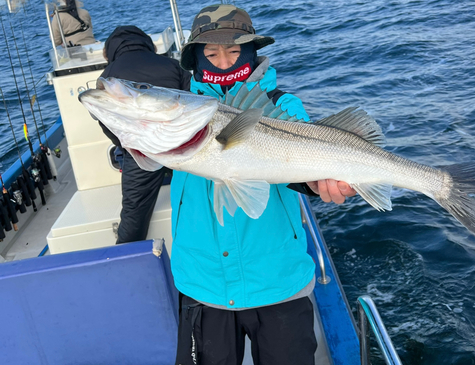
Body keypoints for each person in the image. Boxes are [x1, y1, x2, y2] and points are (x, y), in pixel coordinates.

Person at [172, 5, 356, 365]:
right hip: (202, 282)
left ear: (251, 51)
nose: (223, 62)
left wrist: (320, 183)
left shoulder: (281, 105)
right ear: (196, 59)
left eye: (234, 50)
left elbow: (303, 163)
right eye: (210, 53)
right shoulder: (182, 110)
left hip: (277, 281)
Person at [98, 25, 191, 244]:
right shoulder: (172, 64)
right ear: (148, 43)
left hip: (142, 148)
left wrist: (128, 147)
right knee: (200, 191)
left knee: (134, 213)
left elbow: (106, 122)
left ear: (110, 51)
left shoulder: (108, 75)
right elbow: (190, 98)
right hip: (182, 143)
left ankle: (126, 262)